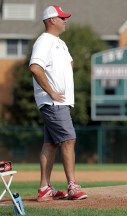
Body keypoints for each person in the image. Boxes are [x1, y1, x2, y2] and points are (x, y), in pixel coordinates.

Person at [29, 5, 88, 201]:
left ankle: (44, 188)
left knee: (51, 143)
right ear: (51, 20)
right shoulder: (44, 41)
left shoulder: (59, 43)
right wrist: (51, 91)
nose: (66, 20)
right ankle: (72, 186)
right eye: (62, 17)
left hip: (59, 102)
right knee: (69, 139)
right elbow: (35, 68)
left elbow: (69, 64)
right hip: (53, 103)